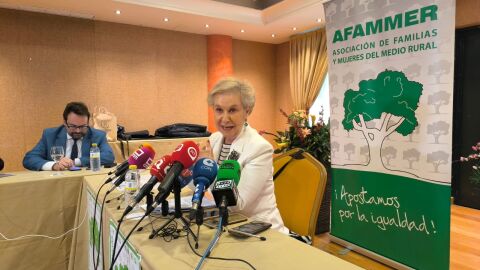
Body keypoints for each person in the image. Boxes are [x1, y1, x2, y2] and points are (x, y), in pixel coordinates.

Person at [207, 77, 288, 234]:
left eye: (232, 110)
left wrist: (210, 168)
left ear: (247, 111)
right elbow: (200, 184)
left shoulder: (260, 148)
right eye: (219, 110)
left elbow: (238, 204)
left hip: (259, 230)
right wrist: (192, 170)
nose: (224, 118)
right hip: (227, 225)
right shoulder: (214, 139)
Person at [23, 102, 114, 171]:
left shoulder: (98, 135)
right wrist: (54, 165)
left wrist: (76, 162)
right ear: (64, 122)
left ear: (88, 122)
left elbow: (108, 157)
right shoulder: (50, 135)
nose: (78, 130)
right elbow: (29, 159)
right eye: (73, 126)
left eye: (82, 126)